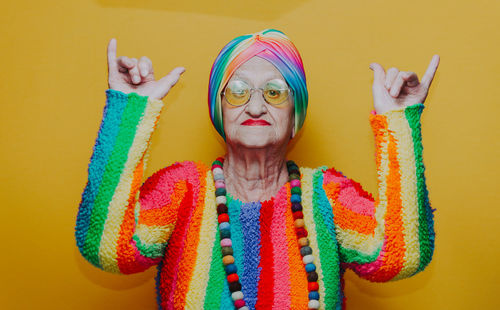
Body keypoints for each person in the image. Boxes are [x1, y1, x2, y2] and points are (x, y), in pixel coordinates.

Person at [75, 29, 439, 309]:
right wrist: (129, 112)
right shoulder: (184, 190)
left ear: (296, 114)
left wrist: (398, 122)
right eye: (237, 91)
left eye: (275, 92)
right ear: (218, 109)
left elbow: (399, 256)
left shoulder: (326, 196)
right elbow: (109, 248)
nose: (254, 107)